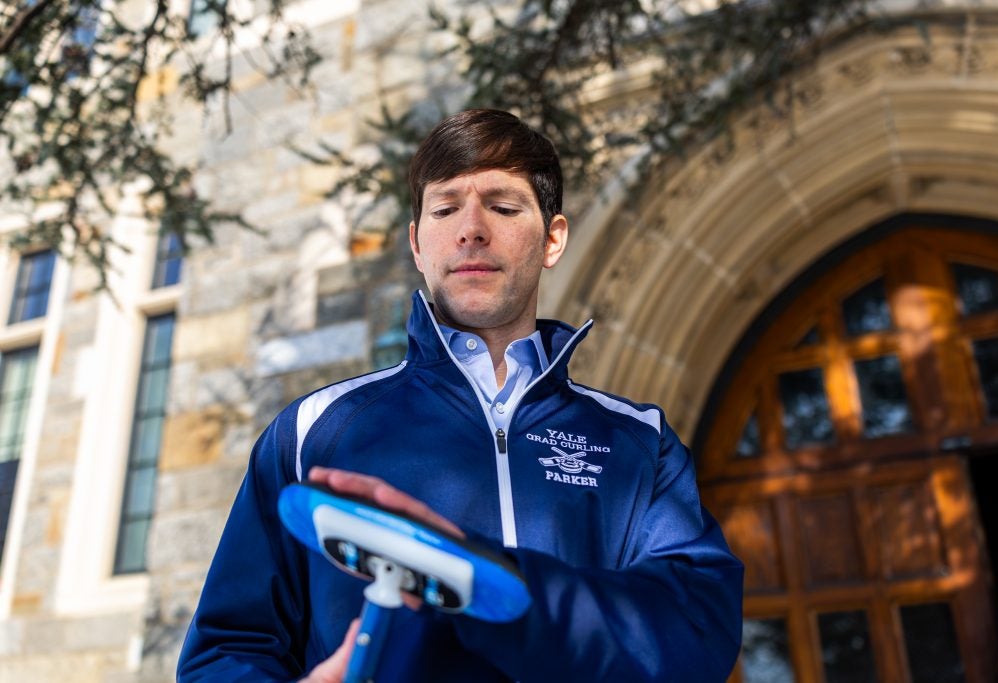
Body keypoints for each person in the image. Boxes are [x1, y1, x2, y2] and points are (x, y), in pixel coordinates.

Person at [177, 108, 744, 682]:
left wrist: (475, 575)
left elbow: (695, 626)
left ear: (552, 239)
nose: (472, 228)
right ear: (418, 244)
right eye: (446, 209)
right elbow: (225, 648)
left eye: (502, 206)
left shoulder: (639, 443)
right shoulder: (312, 432)